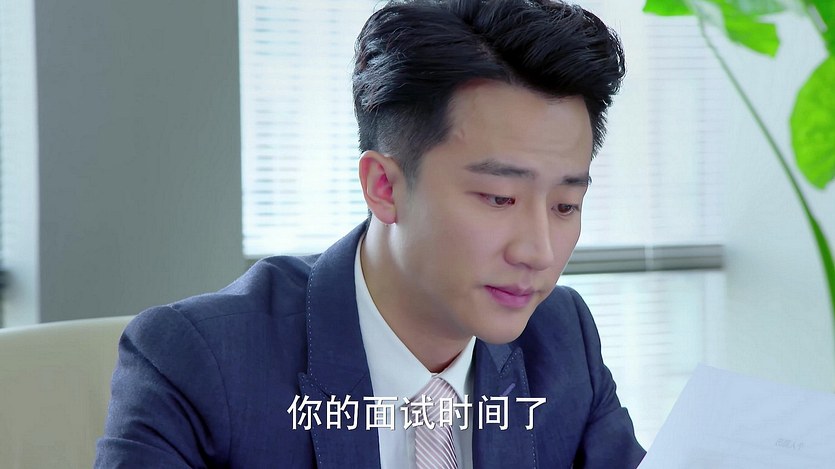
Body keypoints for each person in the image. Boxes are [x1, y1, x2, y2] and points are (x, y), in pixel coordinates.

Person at [95, 0, 645, 467]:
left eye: (566, 205)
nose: (538, 252)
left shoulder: (561, 339)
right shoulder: (201, 362)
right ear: (384, 186)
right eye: (499, 198)